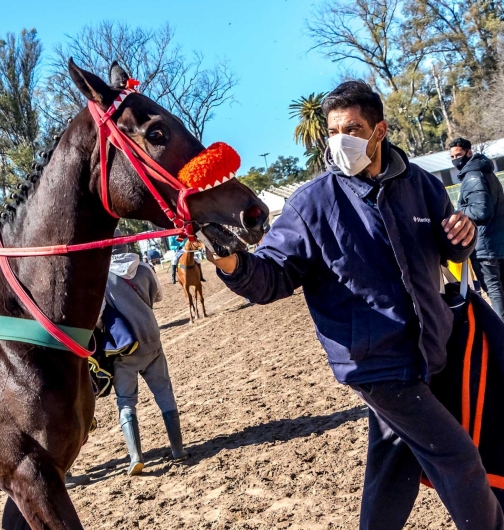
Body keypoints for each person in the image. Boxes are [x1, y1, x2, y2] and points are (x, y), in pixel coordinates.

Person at [208, 81, 503, 529]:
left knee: (392, 469)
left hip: (431, 352)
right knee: (460, 460)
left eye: (352, 128)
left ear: (379, 130)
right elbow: (271, 278)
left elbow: (449, 253)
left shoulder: (420, 184)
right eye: (332, 131)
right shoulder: (312, 203)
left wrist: (459, 240)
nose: (339, 140)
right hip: (377, 365)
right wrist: (231, 261)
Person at [105, 235, 188, 475]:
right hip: (151, 338)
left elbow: (100, 312)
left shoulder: (103, 276)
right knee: (164, 392)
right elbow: (158, 297)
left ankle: (135, 458)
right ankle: (178, 449)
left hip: (124, 347)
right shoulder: (144, 267)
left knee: (126, 402)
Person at [451, 137, 504, 319]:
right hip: (496, 244)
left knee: (495, 294)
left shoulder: (473, 176)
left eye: (459, 155)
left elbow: (481, 211)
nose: (455, 159)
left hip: (485, 248)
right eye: (452, 156)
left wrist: (458, 211)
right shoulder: (485, 172)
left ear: (469, 152)